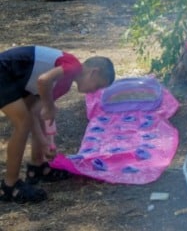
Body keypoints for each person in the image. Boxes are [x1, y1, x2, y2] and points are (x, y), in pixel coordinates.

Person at [1, 46, 115, 204]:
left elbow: (35, 112)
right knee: (23, 123)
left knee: (32, 116)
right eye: (97, 86)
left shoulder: (64, 85)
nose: (92, 92)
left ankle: (37, 167)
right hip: (5, 70)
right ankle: (9, 186)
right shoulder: (73, 66)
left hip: (18, 77)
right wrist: (49, 106)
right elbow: (43, 80)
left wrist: (45, 143)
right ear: (93, 72)